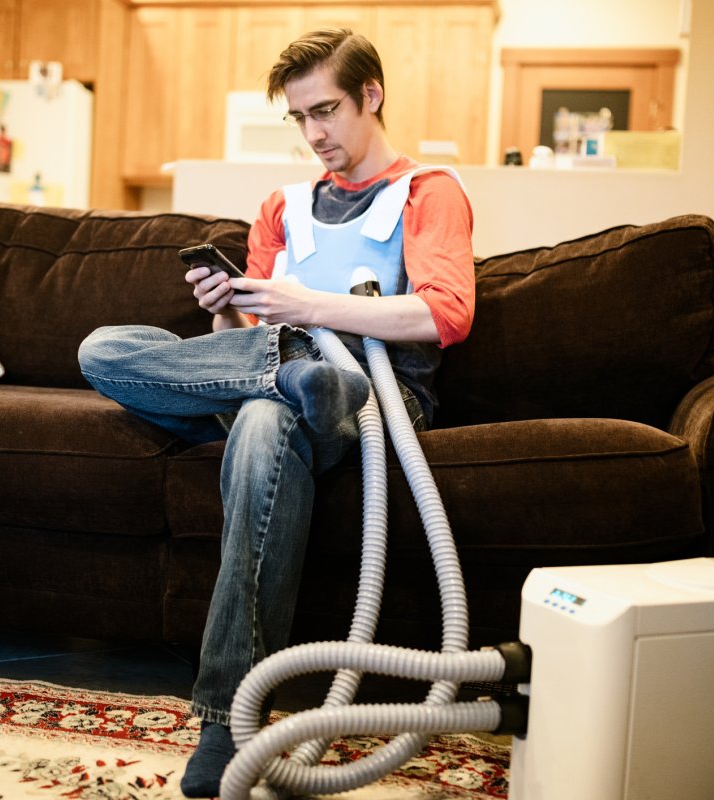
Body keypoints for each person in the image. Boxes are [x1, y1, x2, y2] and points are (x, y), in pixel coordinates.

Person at [77, 27, 475, 798]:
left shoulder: (428, 192)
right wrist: (227, 312)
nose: (314, 134)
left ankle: (225, 720)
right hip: (280, 379)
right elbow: (247, 331)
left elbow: (445, 315)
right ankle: (287, 376)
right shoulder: (281, 208)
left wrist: (307, 307)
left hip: (370, 400)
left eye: (326, 110)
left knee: (269, 413)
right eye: (299, 118)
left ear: (372, 95)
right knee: (104, 350)